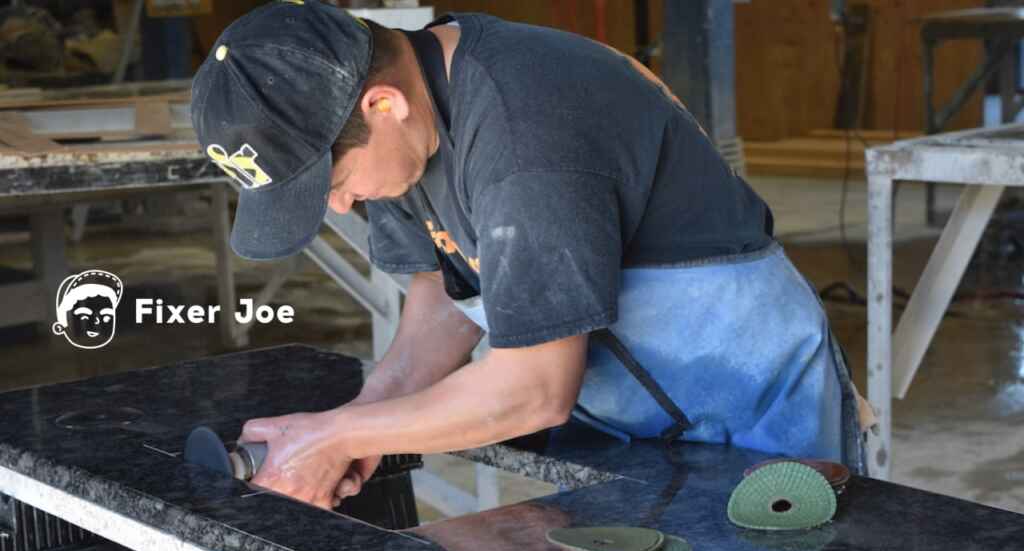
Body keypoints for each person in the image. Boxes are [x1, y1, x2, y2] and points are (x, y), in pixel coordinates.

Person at [190, 1, 863, 510]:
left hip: (754, 417)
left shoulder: (522, 127)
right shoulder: (404, 133)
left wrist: (339, 439)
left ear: (383, 103)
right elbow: (448, 298)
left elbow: (536, 388)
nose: (339, 206)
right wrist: (358, 424)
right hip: (624, 428)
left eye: (332, 183)